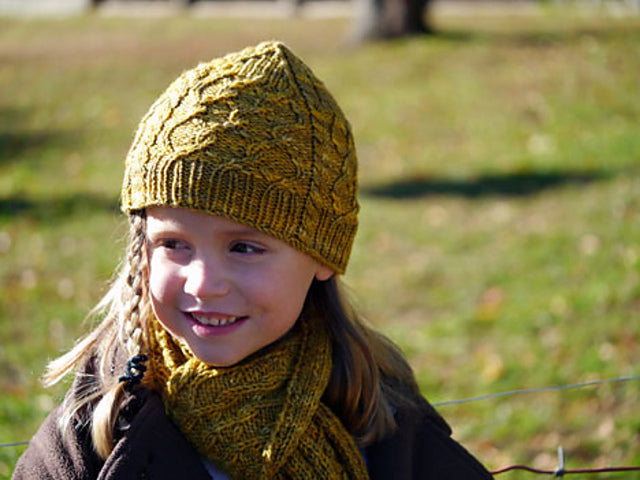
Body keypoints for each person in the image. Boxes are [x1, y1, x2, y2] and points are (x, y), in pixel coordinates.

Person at [13, 41, 493, 480]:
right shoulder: (94, 428)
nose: (204, 284)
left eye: (244, 248)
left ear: (322, 254)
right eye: (173, 244)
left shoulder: (383, 417)